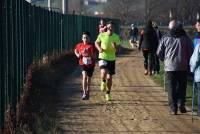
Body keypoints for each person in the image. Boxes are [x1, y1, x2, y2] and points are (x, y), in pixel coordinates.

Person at [157, 20, 193, 115]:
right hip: (183, 66)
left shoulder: (165, 38)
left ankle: (173, 108)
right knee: (182, 86)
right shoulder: (186, 38)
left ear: (170, 28)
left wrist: (165, 60)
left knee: (171, 87)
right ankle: (181, 103)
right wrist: (189, 63)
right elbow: (191, 52)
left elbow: (159, 52)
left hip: (169, 67)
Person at [95, 21, 121, 101]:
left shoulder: (116, 37)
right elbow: (96, 43)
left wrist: (115, 47)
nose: (110, 28)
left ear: (114, 28)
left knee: (109, 78)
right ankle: (103, 81)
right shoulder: (102, 35)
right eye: (109, 26)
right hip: (103, 56)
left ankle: (108, 93)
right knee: (103, 72)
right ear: (106, 27)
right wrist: (99, 48)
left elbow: (118, 51)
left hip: (112, 59)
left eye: (112, 27)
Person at [74, 31, 96, 100]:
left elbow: (95, 56)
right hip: (82, 63)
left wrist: (89, 54)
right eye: (84, 38)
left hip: (90, 64)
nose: (85, 39)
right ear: (82, 38)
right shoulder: (79, 45)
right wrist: (78, 55)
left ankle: (88, 91)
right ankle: (84, 93)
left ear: (89, 38)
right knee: (84, 76)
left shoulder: (91, 46)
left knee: (89, 78)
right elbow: (75, 50)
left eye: (87, 38)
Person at [189, 19, 200, 116]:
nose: (196, 27)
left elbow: (195, 59)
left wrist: (191, 70)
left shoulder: (197, 39)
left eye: (197, 25)